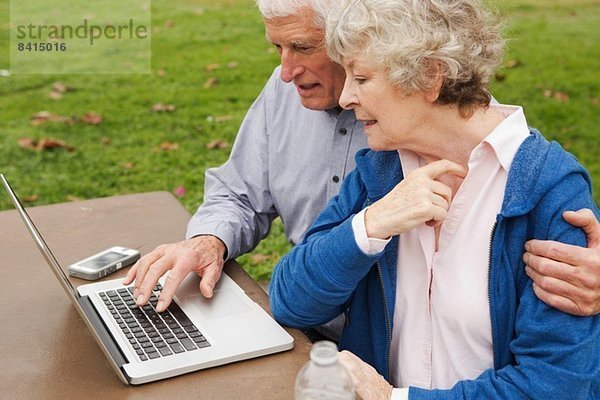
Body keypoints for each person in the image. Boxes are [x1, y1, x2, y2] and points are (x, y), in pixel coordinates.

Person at [123, 0, 600, 323]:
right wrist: (209, 240)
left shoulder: (437, 123)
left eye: (304, 48)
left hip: (376, 339)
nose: (286, 71)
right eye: (277, 48)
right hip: (317, 328)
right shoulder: (294, 98)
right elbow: (241, 198)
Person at [268, 0, 600, 399]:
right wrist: (371, 225)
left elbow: (554, 386)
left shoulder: (548, 191)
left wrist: (390, 398)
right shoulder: (382, 171)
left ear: (429, 75)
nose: (346, 99)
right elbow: (290, 302)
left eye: (361, 78)